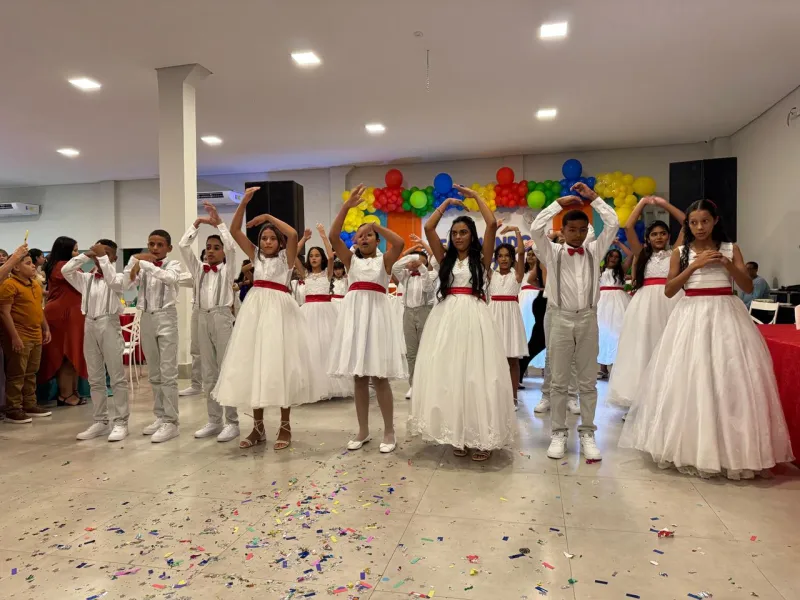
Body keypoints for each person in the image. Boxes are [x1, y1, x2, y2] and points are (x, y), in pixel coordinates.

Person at [619, 199, 793, 478]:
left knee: (730, 377)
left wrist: (726, 263)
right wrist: (694, 266)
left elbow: (746, 286)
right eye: (693, 222)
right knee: (691, 376)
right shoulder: (680, 252)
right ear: (687, 225)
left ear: (715, 221)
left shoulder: (730, 248)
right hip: (691, 314)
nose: (699, 227)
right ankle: (690, 447)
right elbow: (670, 290)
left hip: (726, 313)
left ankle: (734, 450)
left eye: (705, 221)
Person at [409, 185, 515, 462]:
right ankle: (460, 434)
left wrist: (474, 196)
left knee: (476, 375)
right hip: (445, 319)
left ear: (472, 235)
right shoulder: (445, 259)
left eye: (463, 232)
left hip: (474, 318)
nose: (458, 237)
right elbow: (429, 228)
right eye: (454, 233)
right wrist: (446, 204)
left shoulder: (482, 259)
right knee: (451, 375)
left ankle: (482, 437)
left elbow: (491, 223)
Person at [215, 187, 319, 450]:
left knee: (280, 366)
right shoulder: (255, 257)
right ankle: (257, 427)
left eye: (272, 238)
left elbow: (293, 233)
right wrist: (244, 203)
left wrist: (269, 218)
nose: (268, 242)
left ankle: (285, 425)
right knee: (254, 366)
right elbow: (236, 230)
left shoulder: (287, 258)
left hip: (280, 315)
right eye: (264, 239)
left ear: (279, 242)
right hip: (256, 314)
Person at [530, 182, 619, 461]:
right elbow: (534, 229)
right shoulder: (551, 252)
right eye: (572, 230)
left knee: (588, 381)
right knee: (557, 380)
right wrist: (558, 204)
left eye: (582, 230)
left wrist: (593, 199)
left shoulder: (595, 250)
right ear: (562, 231)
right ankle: (558, 432)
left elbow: (613, 222)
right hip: (559, 317)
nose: (578, 235)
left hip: (589, 318)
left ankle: (588, 433)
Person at [328, 184, 407, 453]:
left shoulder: (384, 260)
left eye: (369, 236)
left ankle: (389, 430)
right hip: (356, 320)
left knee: (380, 378)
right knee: (359, 378)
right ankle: (363, 430)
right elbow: (333, 235)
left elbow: (400, 243)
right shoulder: (351, 262)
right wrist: (346, 206)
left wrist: (376, 224)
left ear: (376, 240)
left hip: (377, 320)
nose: (363, 239)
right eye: (360, 236)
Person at [608, 196, 685, 416]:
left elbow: (686, 221)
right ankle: (639, 402)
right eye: (654, 234)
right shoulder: (642, 255)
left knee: (670, 349)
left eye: (662, 233)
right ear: (648, 238)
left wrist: (662, 205)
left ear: (668, 236)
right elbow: (628, 225)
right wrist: (642, 203)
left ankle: (667, 400)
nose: (659, 237)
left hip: (671, 301)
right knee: (643, 349)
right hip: (645, 306)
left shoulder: (675, 253)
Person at [179, 202, 241, 443]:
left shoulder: (228, 270)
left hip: (222, 317)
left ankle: (232, 421)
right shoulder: (199, 271)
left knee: (226, 368)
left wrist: (220, 225)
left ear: (223, 252)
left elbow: (233, 249)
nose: (212, 251)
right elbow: (184, 246)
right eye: (208, 247)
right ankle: (214, 420)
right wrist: (195, 224)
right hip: (202, 316)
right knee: (208, 371)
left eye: (217, 248)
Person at [62, 240, 130, 441]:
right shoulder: (86, 279)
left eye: (107, 253)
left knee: (117, 377)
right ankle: (100, 420)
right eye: (99, 252)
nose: (101, 255)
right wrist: (87, 255)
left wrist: (102, 257)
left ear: (114, 258)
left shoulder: (118, 277)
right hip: (89, 324)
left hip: (109, 323)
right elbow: (66, 270)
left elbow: (115, 283)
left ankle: (121, 422)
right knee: (94, 377)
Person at [124, 229, 182, 442]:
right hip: (146, 317)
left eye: (159, 245)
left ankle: (172, 421)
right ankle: (160, 415)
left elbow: (169, 278)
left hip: (166, 317)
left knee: (168, 373)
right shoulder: (142, 266)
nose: (154, 249)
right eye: (151, 244)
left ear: (169, 248)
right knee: (154, 373)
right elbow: (126, 283)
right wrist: (135, 261)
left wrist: (144, 262)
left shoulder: (173, 264)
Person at [298, 223, 354, 400]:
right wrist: (303, 239)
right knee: (309, 348)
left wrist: (323, 235)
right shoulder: (305, 274)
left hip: (325, 311)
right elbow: (292, 258)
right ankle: (312, 385)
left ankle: (329, 386)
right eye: (311, 256)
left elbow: (331, 256)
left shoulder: (327, 274)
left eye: (317, 256)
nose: (314, 258)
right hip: (307, 312)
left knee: (326, 346)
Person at [0, 252, 52, 423]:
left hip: (35, 333)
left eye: (32, 263)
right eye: (28, 263)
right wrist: (14, 337)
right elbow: (4, 313)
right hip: (19, 334)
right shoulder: (9, 285)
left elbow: (39, 309)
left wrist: (45, 328)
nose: (33, 266)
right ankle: (13, 408)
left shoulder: (36, 285)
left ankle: (30, 403)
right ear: (15, 267)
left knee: (31, 372)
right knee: (17, 374)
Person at [40, 236, 88, 406]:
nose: (77, 253)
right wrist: (89, 255)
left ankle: (72, 391)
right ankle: (65, 394)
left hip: (72, 314)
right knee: (65, 355)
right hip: (62, 315)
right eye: (75, 250)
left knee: (74, 353)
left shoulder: (66, 266)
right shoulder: (60, 267)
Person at [488, 226, 527, 410]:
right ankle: (494, 396)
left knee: (512, 359)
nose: (503, 259)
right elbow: (484, 252)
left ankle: (513, 398)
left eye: (507, 255)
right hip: (494, 315)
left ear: (511, 258)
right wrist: (493, 230)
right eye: (500, 255)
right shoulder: (490, 275)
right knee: (494, 359)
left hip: (511, 317)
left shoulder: (516, 274)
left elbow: (522, 253)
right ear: (496, 258)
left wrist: (517, 231)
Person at [392, 236, 436, 401]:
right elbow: (396, 266)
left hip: (425, 311)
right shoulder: (406, 276)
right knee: (411, 352)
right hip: (408, 313)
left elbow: (427, 287)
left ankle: (428, 384)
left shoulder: (431, 274)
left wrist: (422, 267)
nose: (416, 264)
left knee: (426, 350)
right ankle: (413, 385)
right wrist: (411, 259)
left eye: (421, 261)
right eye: (415, 262)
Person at [596, 245, 632, 380]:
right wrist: (608, 242)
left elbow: (631, 254)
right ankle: (603, 368)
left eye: (617, 257)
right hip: (603, 302)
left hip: (619, 302)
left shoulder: (621, 270)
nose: (613, 258)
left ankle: (618, 367)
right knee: (602, 333)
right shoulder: (599, 270)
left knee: (618, 333)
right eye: (611, 256)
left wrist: (619, 244)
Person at [517, 247, 542, 387]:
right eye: (529, 255)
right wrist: (525, 247)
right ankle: (523, 367)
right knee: (525, 332)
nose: (531, 257)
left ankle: (544, 368)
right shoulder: (523, 271)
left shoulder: (540, 271)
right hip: (524, 301)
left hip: (536, 299)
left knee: (537, 334)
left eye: (534, 255)